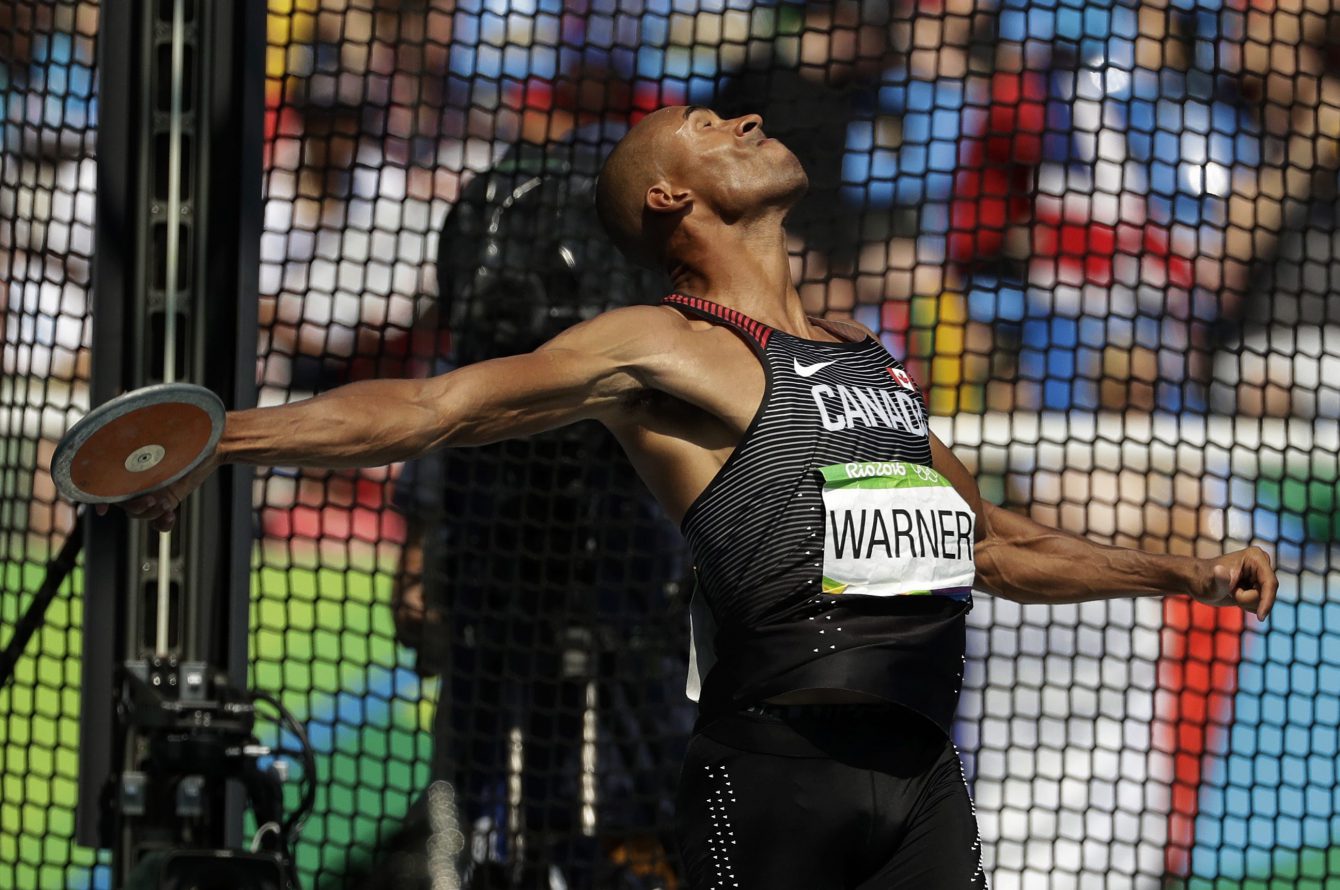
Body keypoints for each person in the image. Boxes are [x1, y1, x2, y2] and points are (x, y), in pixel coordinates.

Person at [113, 105, 1278, 889]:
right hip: (774, 776)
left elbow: (993, 546)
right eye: (713, 127)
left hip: (924, 780)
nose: (751, 121)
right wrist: (221, 440)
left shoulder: (865, 358)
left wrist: (1177, 572)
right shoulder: (661, 345)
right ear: (673, 197)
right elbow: (432, 408)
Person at [388, 130, 693, 889]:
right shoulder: (478, 370)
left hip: (629, 635)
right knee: (471, 821)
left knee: (634, 824)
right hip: (494, 622)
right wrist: (420, 571)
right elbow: (431, 480)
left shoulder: (642, 372)